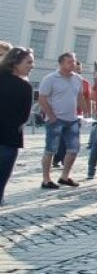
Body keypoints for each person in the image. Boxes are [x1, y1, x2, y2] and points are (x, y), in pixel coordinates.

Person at [38, 52, 87, 189]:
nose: (73, 64)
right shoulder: (51, 79)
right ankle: (46, 179)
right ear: (61, 63)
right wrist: (51, 116)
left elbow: (79, 96)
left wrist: (84, 111)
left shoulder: (77, 79)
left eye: (74, 61)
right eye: (70, 61)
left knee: (73, 149)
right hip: (56, 119)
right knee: (50, 149)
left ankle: (65, 176)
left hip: (72, 119)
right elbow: (42, 98)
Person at [0, 47, 35, 206]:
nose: (31, 66)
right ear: (15, 62)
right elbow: (24, 117)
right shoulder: (25, 86)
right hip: (9, 138)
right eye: (28, 62)